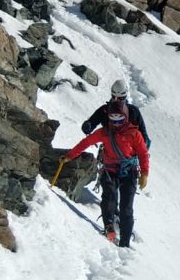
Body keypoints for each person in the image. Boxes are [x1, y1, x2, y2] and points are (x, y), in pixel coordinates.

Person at [62, 102, 149, 247]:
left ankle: (125, 243)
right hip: (110, 170)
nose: (115, 123)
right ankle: (109, 229)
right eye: (112, 119)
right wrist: (70, 156)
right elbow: (86, 143)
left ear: (126, 118)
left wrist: (145, 173)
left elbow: (143, 154)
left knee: (126, 207)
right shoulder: (104, 132)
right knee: (109, 198)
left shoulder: (134, 134)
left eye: (119, 120)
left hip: (129, 173)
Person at [82, 79, 150, 147]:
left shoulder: (133, 111)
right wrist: (88, 126)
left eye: (120, 98)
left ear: (125, 97)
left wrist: (142, 146)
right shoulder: (104, 110)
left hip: (129, 152)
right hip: (109, 150)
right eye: (114, 97)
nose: (116, 100)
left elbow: (143, 133)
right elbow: (92, 123)